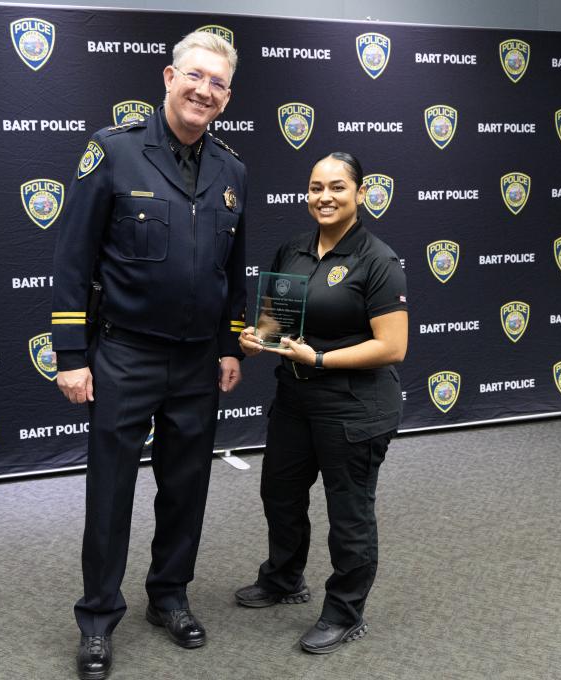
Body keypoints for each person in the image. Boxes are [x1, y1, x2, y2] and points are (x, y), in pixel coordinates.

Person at [50, 30, 246, 680]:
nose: (204, 91)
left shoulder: (232, 171)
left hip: (196, 362)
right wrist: (71, 354)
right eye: (195, 76)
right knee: (110, 492)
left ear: (226, 94)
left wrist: (227, 344)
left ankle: (169, 596)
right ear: (168, 77)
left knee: (186, 489)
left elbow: (232, 270)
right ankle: (99, 618)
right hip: (125, 354)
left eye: (217, 83)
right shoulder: (112, 152)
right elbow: (72, 260)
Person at [234, 152, 408, 654]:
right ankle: (285, 578)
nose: (324, 197)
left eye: (336, 187)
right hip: (294, 399)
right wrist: (257, 337)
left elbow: (393, 346)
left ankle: (344, 612)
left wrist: (322, 358)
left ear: (360, 193)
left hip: (354, 407)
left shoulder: (379, 260)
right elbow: (275, 318)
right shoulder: (293, 250)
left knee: (349, 514)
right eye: (315, 187)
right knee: (280, 495)